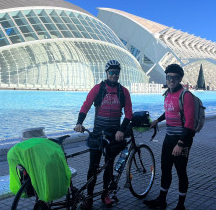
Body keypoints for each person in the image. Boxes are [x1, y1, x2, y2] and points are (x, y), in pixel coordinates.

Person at [74, 60, 133, 208]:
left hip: (113, 135)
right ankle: (89, 196)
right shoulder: (98, 89)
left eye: (117, 73)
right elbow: (86, 105)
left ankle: (105, 194)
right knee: (93, 167)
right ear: (106, 73)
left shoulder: (123, 91)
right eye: (111, 72)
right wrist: (79, 123)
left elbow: (129, 114)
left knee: (109, 165)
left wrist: (121, 130)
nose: (114, 75)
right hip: (97, 135)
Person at [143, 64, 195, 210]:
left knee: (180, 171)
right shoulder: (168, 94)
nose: (171, 80)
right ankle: (162, 200)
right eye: (168, 77)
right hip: (168, 138)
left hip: (181, 140)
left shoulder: (186, 96)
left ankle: (180, 205)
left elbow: (190, 123)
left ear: (179, 79)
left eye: (174, 77)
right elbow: (169, 112)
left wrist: (180, 143)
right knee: (165, 169)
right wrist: (157, 121)